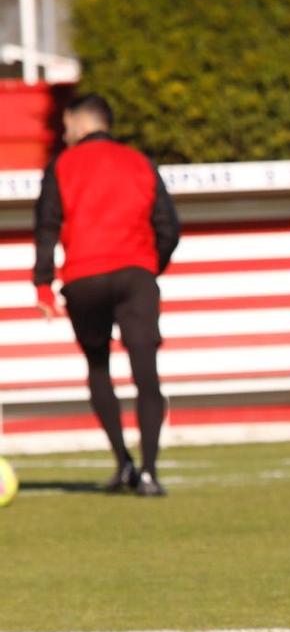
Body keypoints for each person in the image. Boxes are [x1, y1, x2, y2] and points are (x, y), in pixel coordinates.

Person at [33, 94, 180, 496]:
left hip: (83, 279)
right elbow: (169, 227)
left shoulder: (61, 166)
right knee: (146, 372)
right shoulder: (140, 162)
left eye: (66, 127)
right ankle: (149, 472)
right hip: (135, 275)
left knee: (99, 367)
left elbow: (47, 225)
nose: (64, 135)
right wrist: (149, 267)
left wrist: (43, 283)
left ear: (81, 125)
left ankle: (123, 464)